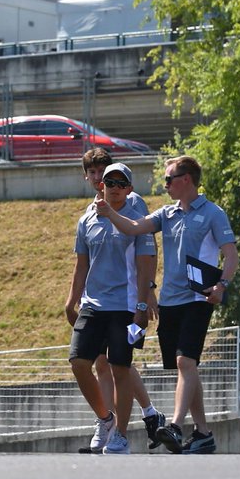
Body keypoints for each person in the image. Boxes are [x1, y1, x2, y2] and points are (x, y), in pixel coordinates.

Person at [95, 155, 238, 454]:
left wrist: (221, 285)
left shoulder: (213, 213)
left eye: (169, 179)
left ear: (186, 179)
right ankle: (203, 433)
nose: (165, 184)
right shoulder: (167, 213)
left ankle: (173, 425)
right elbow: (134, 228)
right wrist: (109, 214)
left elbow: (231, 255)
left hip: (198, 299)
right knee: (186, 367)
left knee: (186, 362)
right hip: (170, 302)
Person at [73, 149, 165, 452]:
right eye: (97, 174)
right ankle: (109, 420)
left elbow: (145, 247)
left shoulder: (132, 202)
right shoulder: (88, 214)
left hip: (125, 302)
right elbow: (83, 260)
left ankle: (135, 421)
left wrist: (147, 293)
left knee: (118, 365)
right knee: (93, 362)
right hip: (95, 302)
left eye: (110, 175)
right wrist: (72, 298)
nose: (105, 181)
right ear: (88, 177)